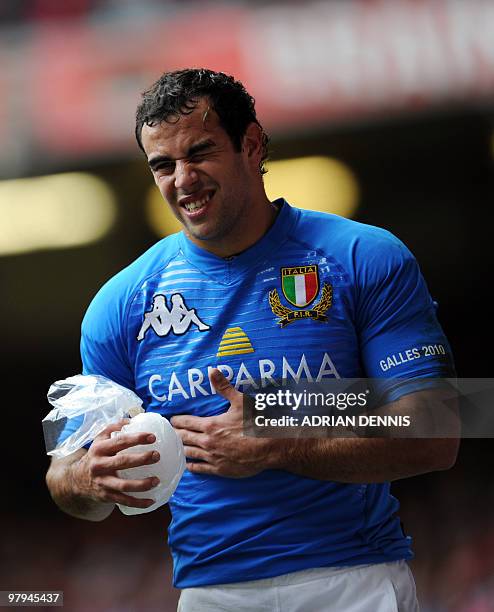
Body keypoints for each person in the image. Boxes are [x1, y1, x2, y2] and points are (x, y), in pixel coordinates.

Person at [46, 68, 459, 611]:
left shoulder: (364, 256)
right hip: (209, 593)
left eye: (200, 153)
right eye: (163, 166)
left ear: (252, 144)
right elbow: (64, 477)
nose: (183, 179)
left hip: (353, 580)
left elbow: (440, 429)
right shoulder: (120, 305)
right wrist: (91, 478)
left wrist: (276, 437)